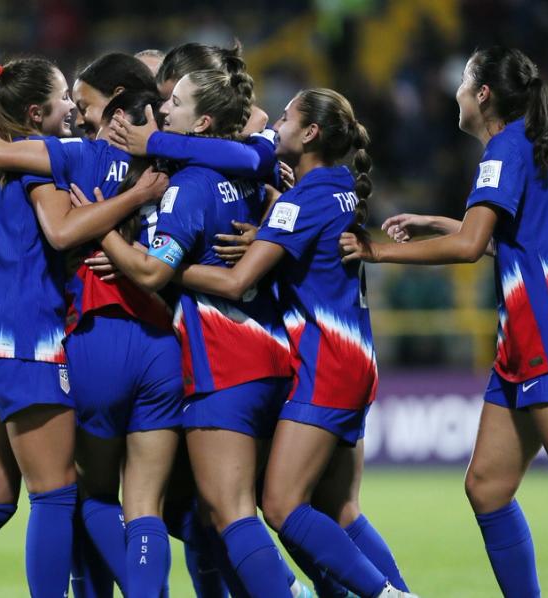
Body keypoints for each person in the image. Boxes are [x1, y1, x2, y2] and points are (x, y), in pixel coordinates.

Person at [340, 46, 548, 598]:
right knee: (488, 487)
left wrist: (377, 253)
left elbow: (472, 246)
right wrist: (436, 223)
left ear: (483, 95)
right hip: (528, 340)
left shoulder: (505, 150)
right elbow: (513, 243)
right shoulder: (527, 146)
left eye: (463, 81)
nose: (455, 92)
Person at [0, 56, 168, 597]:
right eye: (64, 104)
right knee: (56, 494)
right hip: (20, 339)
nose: (74, 115)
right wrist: (134, 197)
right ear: (36, 114)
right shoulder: (44, 163)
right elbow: (60, 232)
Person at [168, 88, 414, 598]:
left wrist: (166, 269)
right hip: (356, 358)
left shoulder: (302, 200)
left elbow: (237, 284)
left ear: (310, 134)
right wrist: (269, 227)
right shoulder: (340, 185)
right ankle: (395, 590)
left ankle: (385, 595)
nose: (274, 122)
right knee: (340, 510)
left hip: (326, 361)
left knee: (279, 505)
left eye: (287, 117)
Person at [94, 58, 310, 598]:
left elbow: (154, 270)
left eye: (175, 102)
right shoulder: (247, 175)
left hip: (223, 362)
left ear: (203, 124)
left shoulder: (187, 187)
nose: (161, 108)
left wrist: (111, 238)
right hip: (272, 357)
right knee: (218, 512)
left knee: (232, 514)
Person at [0, 88, 182, 597]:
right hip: (165, 342)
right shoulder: (183, 164)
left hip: (93, 336)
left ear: (113, 110)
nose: (76, 111)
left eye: (83, 100)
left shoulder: (78, 155)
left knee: (86, 495)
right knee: (150, 506)